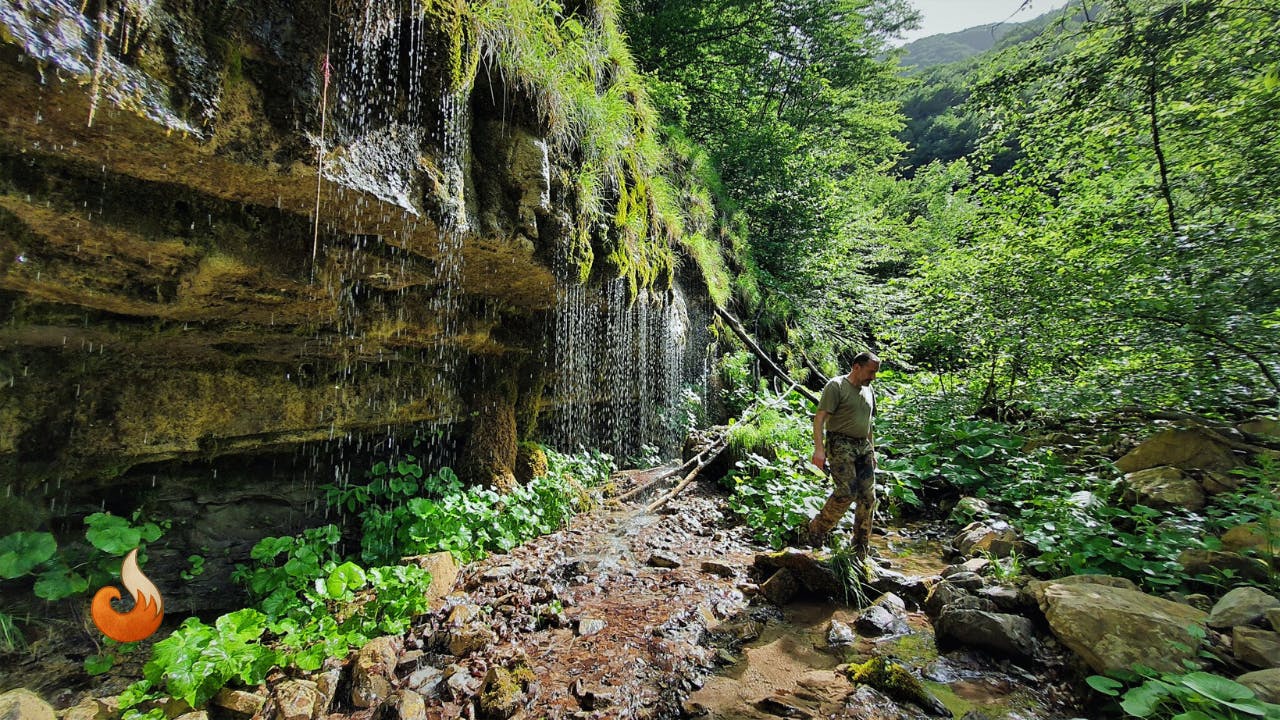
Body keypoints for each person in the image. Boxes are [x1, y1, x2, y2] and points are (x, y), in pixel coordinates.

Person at [805, 351, 880, 557]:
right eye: (871, 371)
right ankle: (818, 528)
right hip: (840, 443)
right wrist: (819, 449)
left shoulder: (869, 390)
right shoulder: (836, 386)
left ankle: (860, 547)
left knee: (868, 497)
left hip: (863, 446)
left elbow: (868, 423)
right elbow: (819, 419)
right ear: (857, 367)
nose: (873, 376)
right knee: (847, 490)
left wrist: (872, 451)